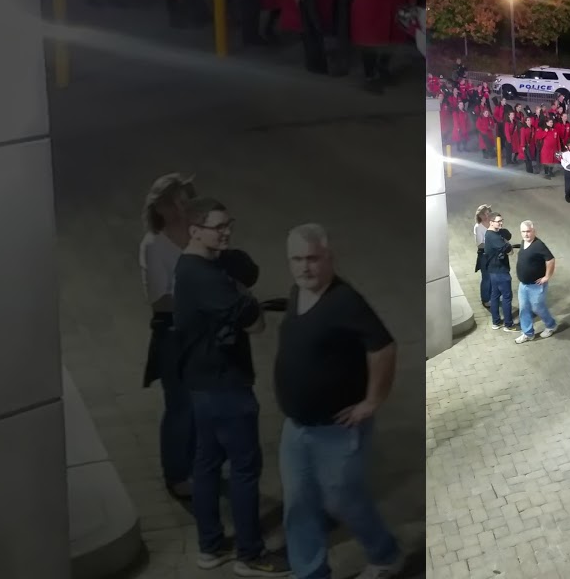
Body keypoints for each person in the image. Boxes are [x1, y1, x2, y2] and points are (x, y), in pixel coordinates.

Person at [274, 225, 403, 579]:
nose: (304, 268)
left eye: (312, 259)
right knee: (299, 506)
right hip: (296, 427)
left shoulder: (344, 300)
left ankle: (385, 553)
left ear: (329, 258)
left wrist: (372, 401)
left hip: (336, 429)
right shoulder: (297, 293)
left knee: (343, 500)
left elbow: (384, 347)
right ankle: (311, 573)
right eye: (296, 260)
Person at [173, 198, 290, 576]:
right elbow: (256, 325)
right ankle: (249, 554)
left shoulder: (189, 265)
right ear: (194, 230)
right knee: (243, 468)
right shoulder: (207, 278)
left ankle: (210, 548)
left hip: (201, 384)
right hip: (226, 386)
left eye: (229, 225)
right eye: (217, 227)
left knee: (206, 464)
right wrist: (243, 295)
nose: (225, 232)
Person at [138, 173, 198, 500]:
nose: (179, 209)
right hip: (173, 333)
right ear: (158, 208)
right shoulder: (153, 245)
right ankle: (176, 473)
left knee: (202, 402)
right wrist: (200, 298)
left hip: (204, 330)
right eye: (172, 203)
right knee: (180, 405)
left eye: (183, 201)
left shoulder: (198, 234)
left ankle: (198, 463)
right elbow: (158, 299)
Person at [514, 220, 558, 344]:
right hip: (523, 285)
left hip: (536, 285)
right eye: (523, 232)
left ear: (534, 231)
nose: (526, 234)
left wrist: (546, 276)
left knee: (537, 307)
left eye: (528, 231)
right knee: (524, 309)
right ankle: (528, 333)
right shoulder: (523, 242)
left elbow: (551, 260)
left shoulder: (539, 245)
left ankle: (551, 325)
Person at [482, 212, 519, 331]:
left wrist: (501, 232)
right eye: (498, 221)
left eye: (501, 220)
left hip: (493, 271)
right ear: (491, 222)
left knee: (495, 296)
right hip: (500, 271)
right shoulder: (493, 237)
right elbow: (508, 250)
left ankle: (496, 322)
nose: (501, 223)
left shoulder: (491, 233)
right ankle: (508, 325)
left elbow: (508, 235)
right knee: (507, 297)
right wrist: (508, 246)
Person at [472, 204, 492, 310]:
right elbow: (479, 244)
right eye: (482, 214)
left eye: (487, 213)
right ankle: (485, 299)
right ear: (479, 216)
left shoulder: (493, 223)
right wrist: (492, 244)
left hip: (494, 254)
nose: (485, 216)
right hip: (484, 254)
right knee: (486, 278)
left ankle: (493, 296)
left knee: (494, 275)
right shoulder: (478, 227)